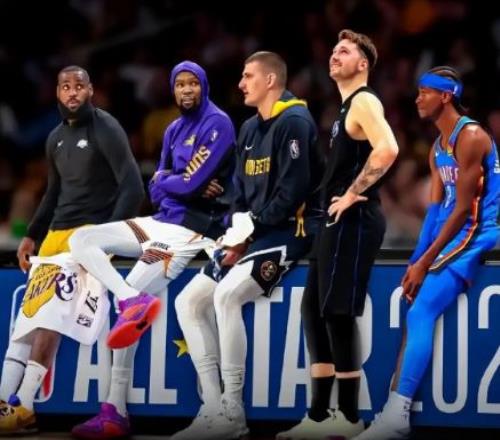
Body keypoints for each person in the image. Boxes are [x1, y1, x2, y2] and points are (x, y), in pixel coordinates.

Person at [69, 60, 236, 439]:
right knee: (82, 240)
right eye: (180, 85)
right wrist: (176, 181)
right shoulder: (173, 129)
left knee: (129, 308)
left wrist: (174, 181)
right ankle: (130, 299)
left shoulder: (218, 123)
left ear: (204, 86)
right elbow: (157, 188)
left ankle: (114, 411)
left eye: (193, 83)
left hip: (192, 228)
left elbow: (184, 183)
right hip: (161, 220)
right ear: (173, 90)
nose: (187, 90)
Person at [168, 51, 324, 440]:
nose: (240, 84)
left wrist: (248, 232)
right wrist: (236, 229)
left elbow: (292, 192)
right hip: (252, 232)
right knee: (187, 302)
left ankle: (233, 413)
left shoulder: (295, 121)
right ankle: (212, 407)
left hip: (291, 231)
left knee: (226, 296)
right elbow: (238, 191)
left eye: (247, 76)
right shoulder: (250, 128)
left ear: (270, 81)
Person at [353, 66, 500, 440]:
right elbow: (435, 211)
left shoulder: (471, 136)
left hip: (477, 232)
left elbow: (463, 210)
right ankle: (394, 413)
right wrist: (416, 260)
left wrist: (425, 263)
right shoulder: (437, 148)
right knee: (415, 308)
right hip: (453, 232)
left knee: (421, 311)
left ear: (446, 96)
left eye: (425, 92)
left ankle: (397, 414)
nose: (417, 98)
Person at [0, 66, 145, 434]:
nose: (72, 92)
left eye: (79, 85)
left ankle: (24, 404)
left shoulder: (106, 127)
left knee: (50, 317)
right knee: (26, 323)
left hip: (88, 235)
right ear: (57, 93)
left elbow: (133, 186)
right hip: (55, 236)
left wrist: (108, 236)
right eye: (65, 86)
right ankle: (4, 404)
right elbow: (53, 192)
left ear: (90, 90)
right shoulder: (55, 138)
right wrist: (32, 234)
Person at [277, 29, 399, 440]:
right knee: (314, 310)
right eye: (332, 50)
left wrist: (351, 192)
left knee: (338, 312)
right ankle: (318, 414)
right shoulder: (346, 107)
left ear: (362, 64)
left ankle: (348, 415)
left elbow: (388, 148)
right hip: (334, 220)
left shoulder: (364, 100)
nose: (334, 55)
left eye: (343, 51)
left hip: (354, 219)